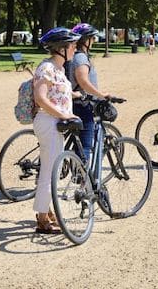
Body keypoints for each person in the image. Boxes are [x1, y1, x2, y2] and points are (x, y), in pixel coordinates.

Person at [32, 27, 80, 233]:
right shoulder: (47, 68)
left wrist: (75, 97)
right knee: (49, 171)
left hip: (56, 123)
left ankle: (46, 210)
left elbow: (57, 93)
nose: (75, 49)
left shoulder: (58, 69)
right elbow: (40, 98)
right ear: (62, 48)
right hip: (49, 122)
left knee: (52, 169)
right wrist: (63, 114)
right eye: (73, 46)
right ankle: (42, 218)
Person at [68, 23, 111, 162]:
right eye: (92, 38)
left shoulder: (73, 56)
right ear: (86, 40)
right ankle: (83, 179)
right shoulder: (80, 58)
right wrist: (101, 95)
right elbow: (84, 82)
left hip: (73, 103)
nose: (93, 41)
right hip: (81, 104)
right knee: (86, 144)